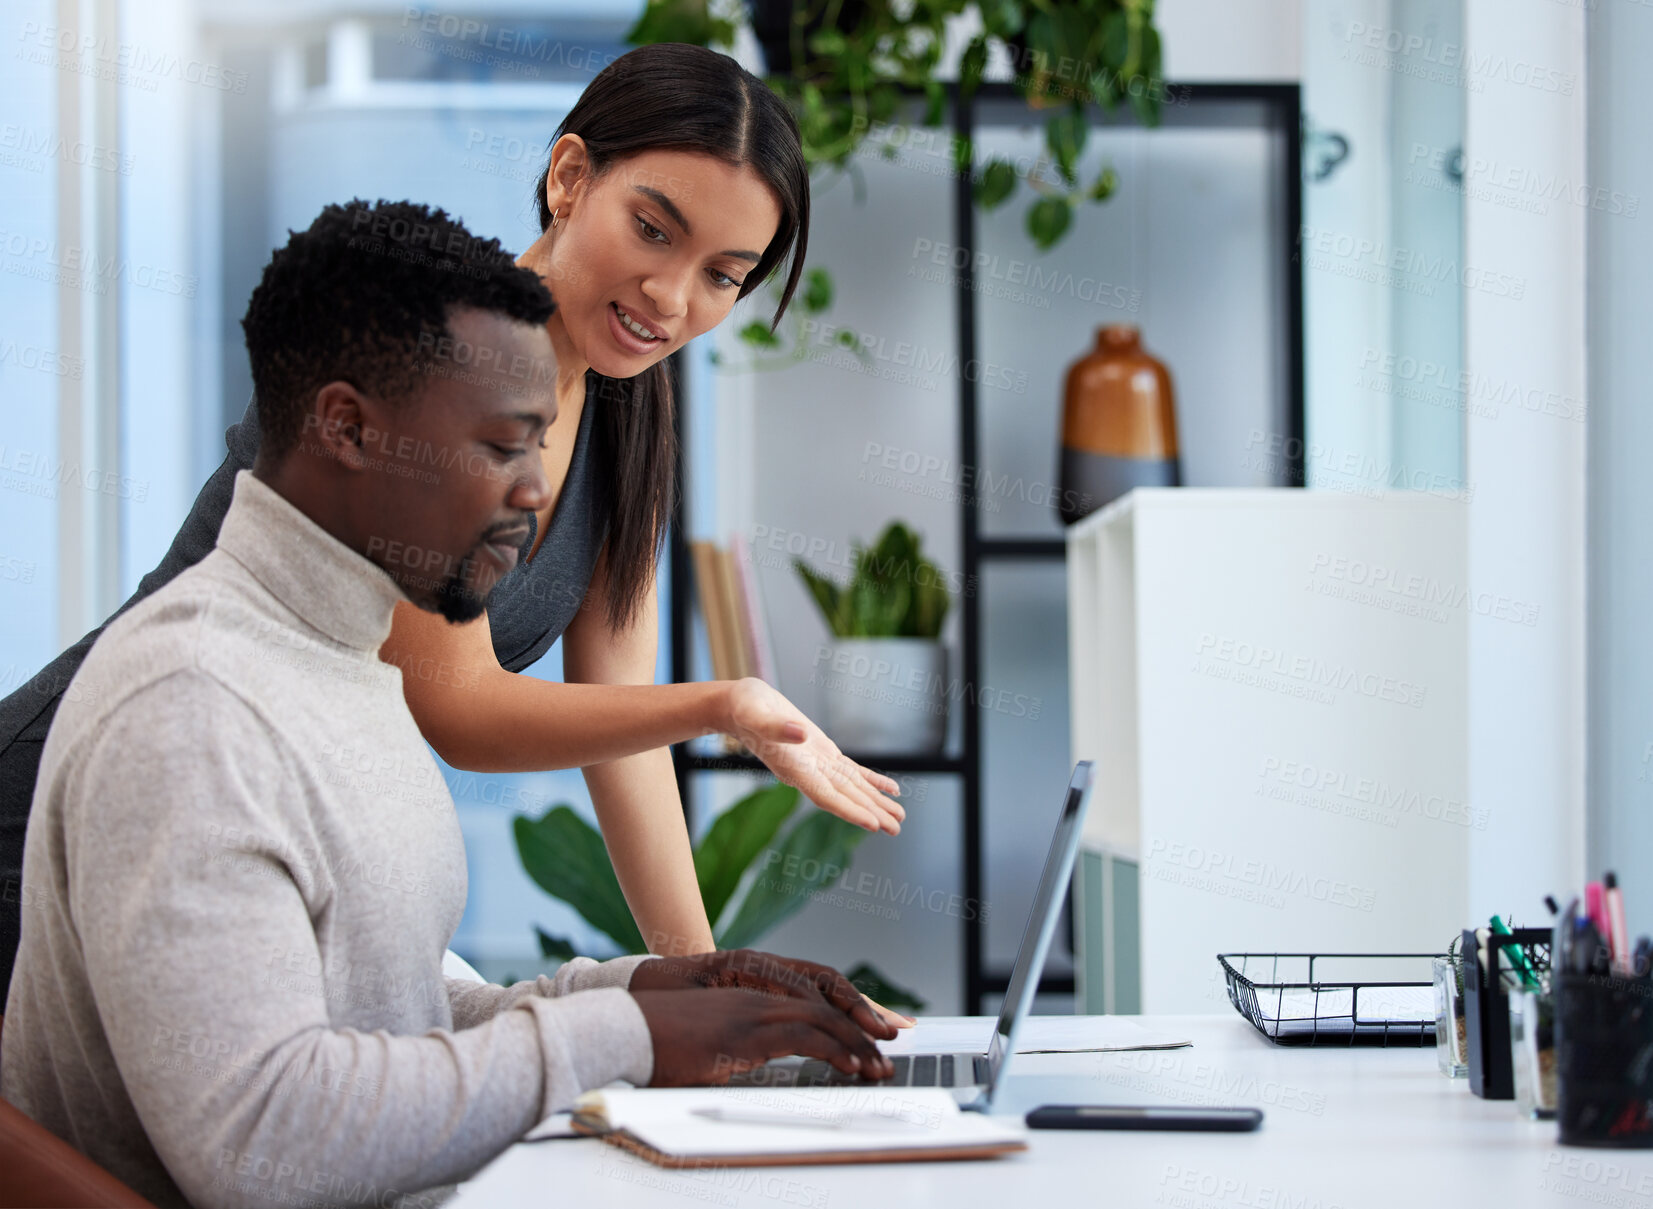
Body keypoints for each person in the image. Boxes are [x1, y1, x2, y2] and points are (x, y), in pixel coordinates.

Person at [1, 199, 896, 1209]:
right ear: (347, 427)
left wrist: (657, 990)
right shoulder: (195, 711)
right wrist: (626, 1036)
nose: (530, 495)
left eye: (538, 451)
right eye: (498, 447)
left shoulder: (349, 669)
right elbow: (262, 1137)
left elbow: (394, 1016)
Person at [0, 42, 911, 1000]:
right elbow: (458, 704)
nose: (671, 298)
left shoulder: (625, 407)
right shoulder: (435, 360)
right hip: (86, 798)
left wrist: (708, 986)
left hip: (240, 833)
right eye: (652, 230)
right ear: (569, 177)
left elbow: (621, 730)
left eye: (722, 276)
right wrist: (725, 703)